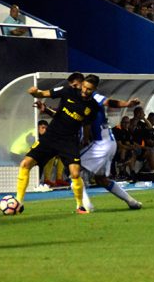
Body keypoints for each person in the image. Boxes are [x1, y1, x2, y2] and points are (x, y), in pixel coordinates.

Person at [16, 74, 100, 214]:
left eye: (89, 89)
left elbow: (85, 125)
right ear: (82, 84)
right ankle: (18, 202)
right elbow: (43, 93)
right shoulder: (68, 91)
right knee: (25, 163)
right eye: (84, 87)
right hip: (51, 136)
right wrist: (34, 92)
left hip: (68, 141)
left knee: (74, 173)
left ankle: (80, 206)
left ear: (95, 89)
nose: (85, 91)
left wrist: (85, 140)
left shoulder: (92, 107)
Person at [78, 84, 142, 211]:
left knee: (74, 169)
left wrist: (127, 104)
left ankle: (86, 206)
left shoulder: (94, 97)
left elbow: (110, 102)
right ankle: (132, 202)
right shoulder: (82, 101)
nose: (83, 89)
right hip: (107, 141)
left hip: (102, 142)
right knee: (101, 179)